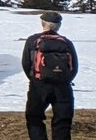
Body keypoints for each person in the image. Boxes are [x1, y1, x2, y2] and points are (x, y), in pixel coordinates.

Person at [22, 12, 78, 140]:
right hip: (63, 87)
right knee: (63, 121)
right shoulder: (66, 42)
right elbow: (74, 67)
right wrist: (64, 80)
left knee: (34, 118)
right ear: (58, 26)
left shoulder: (33, 40)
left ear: (42, 24)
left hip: (39, 86)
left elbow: (26, 63)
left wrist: (35, 79)